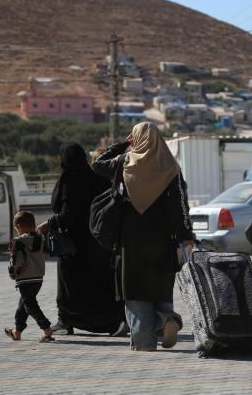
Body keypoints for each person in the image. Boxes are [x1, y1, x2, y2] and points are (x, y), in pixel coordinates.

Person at [92, 122, 194, 351]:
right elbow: (180, 206)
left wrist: (123, 145)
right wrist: (186, 235)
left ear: (136, 138)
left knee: (135, 289)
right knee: (160, 285)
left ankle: (144, 341)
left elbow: (97, 165)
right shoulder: (171, 168)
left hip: (130, 238)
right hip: (162, 237)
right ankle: (166, 319)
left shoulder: (124, 162)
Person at [37, 143, 126, 336]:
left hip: (73, 245)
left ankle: (66, 321)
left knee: (70, 286)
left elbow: (68, 214)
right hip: (98, 241)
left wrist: (49, 224)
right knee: (99, 284)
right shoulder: (96, 176)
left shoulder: (70, 180)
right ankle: (113, 322)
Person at [4, 211, 53, 342]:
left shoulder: (18, 242)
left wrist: (13, 273)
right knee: (24, 305)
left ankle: (47, 329)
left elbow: (15, 261)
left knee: (30, 305)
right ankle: (17, 332)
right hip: (38, 278)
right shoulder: (40, 239)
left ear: (18, 226)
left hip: (24, 279)